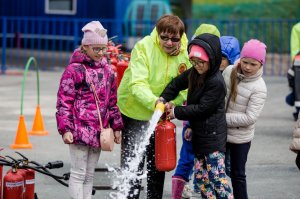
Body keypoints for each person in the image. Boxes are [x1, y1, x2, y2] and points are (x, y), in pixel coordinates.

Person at [117, 14, 191, 199]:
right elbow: (138, 84)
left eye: (174, 39)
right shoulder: (143, 47)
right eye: (164, 37)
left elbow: (188, 84)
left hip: (161, 114)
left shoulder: (185, 52)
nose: (169, 43)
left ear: (180, 37)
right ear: (158, 34)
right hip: (136, 110)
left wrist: (174, 102)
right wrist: (155, 102)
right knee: (133, 164)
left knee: (158, 165)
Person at [55, 21, 124, 199]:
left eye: (103, 49)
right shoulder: (74, 70)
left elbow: (112, 102)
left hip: (99, 131)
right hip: (78, 129)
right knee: (78, 173)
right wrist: (65, 129)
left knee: (89, 175)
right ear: (85, 46)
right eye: (96, 49)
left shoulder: (108, 71)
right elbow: (64, 101)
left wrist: (116, 127)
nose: (100, 53)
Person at [160, 33, 233, 199]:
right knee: (201, 179)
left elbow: (202, 108)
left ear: (212, 59)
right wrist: (164, 98)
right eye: (194, 62)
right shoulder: (195, 73)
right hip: (199, 136)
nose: (198, 66)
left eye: (202, 62)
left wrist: (176, 111)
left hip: (213, 139)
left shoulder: (216, 82)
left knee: (217, 180)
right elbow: (176, 83)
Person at [171, 23, 221, 199]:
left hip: (203, 124)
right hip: (191, 118)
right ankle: (179, 191)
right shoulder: (199, 65)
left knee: (203, 166)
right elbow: (178, 84)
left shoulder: (213, 76)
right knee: (192, 159)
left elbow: (206, 106)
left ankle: (185, 190)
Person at [222, 39, 267, 199]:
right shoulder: (229, 71)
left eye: (253, 64)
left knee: (237, 174)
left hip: (240, 138)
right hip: (220, 133)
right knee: (215, 172)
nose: (247, 67)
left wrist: (221, 118)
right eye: (245, 62)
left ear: (261, 64)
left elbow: (250, 118)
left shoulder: (259, 87)